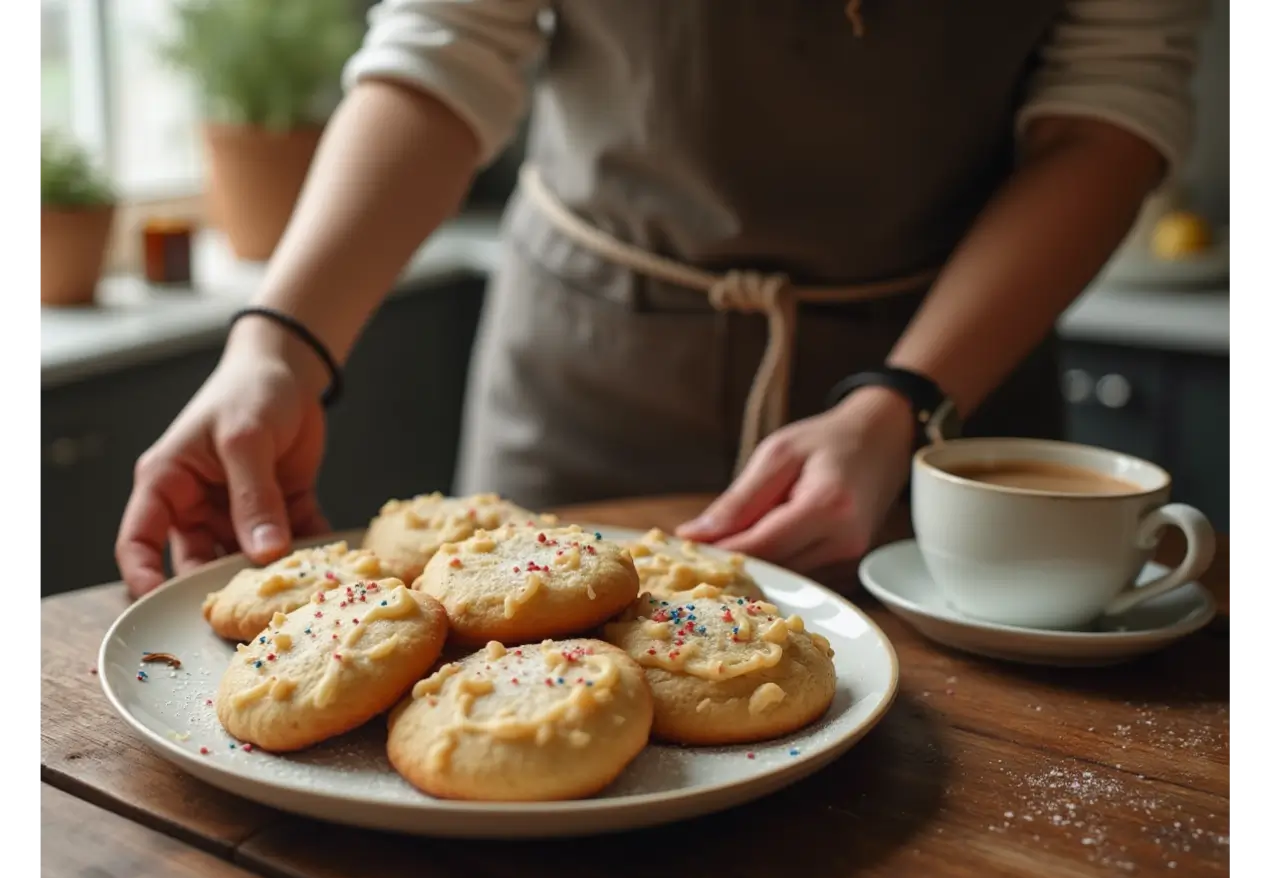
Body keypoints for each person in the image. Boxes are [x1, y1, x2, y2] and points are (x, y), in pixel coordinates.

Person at [115, 0, 1209, 597]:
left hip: (945, 395)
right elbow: (447, 47)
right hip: (585, 361)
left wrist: (905, 400)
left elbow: (1105, 115)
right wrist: (278, 344)